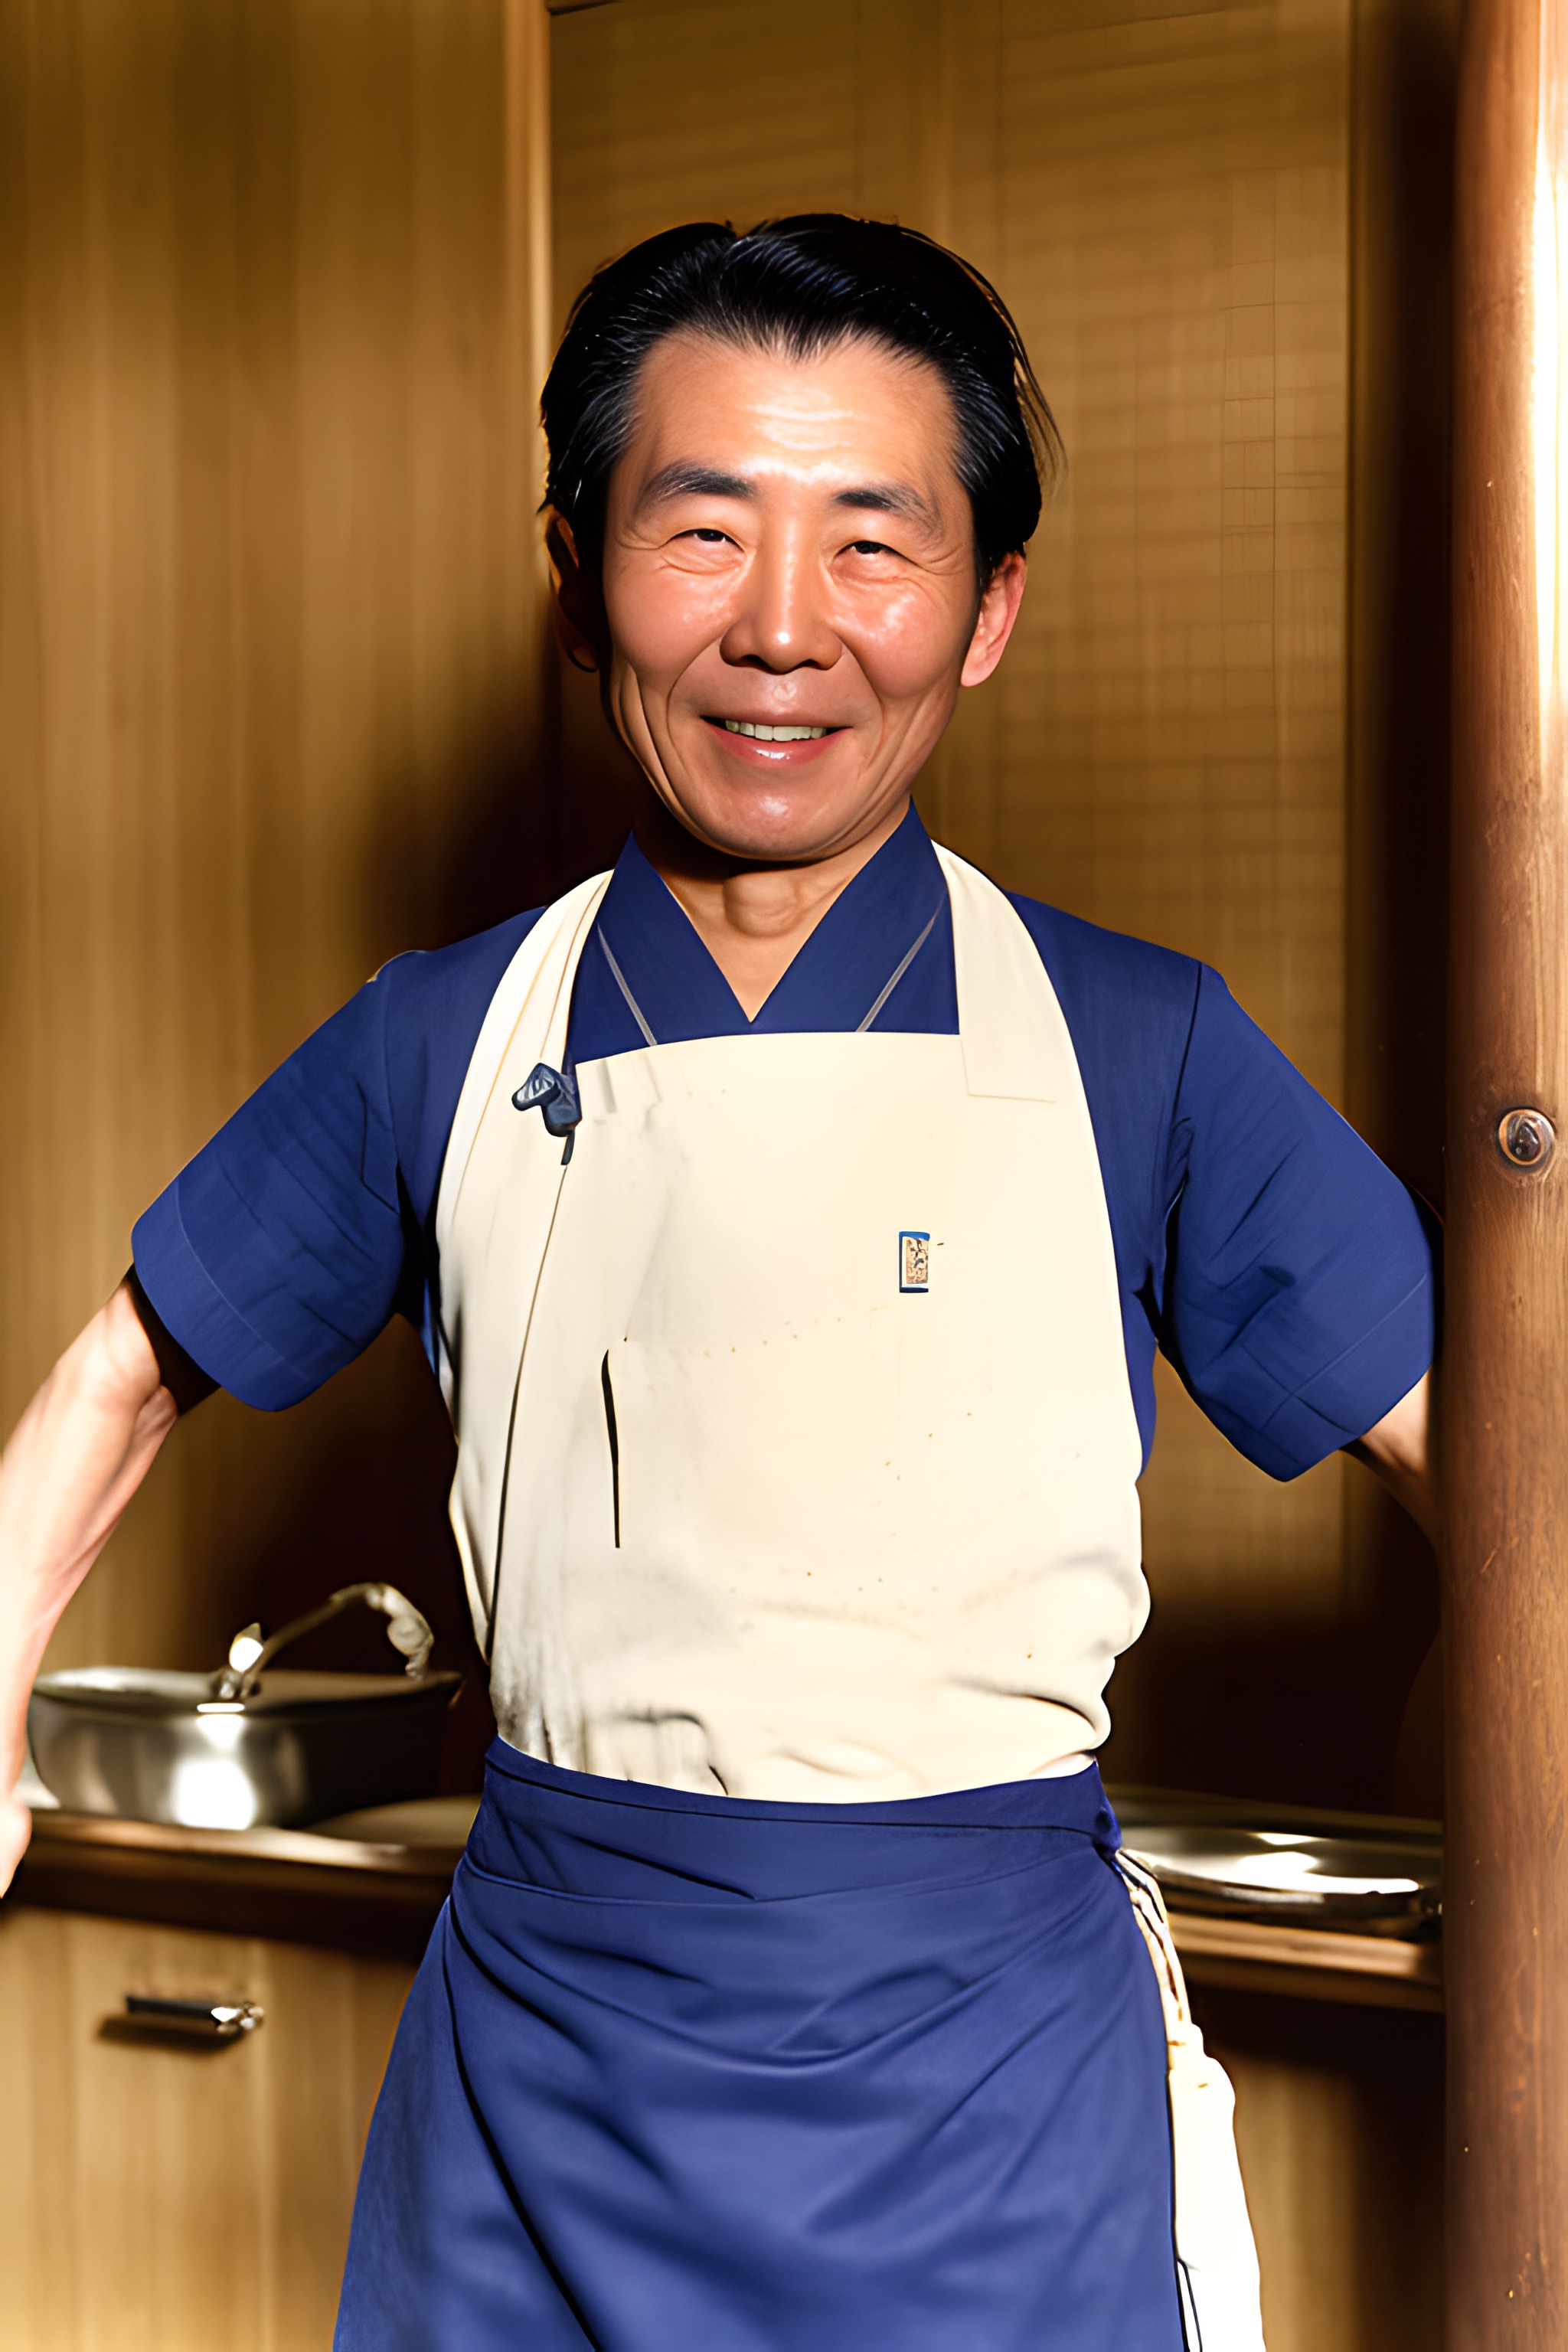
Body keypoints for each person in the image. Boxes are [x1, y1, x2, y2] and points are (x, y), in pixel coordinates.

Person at [0, 217, 1435, 2350]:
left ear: (988, 610)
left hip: (995, 2090)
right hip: (543, 2077)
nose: (783, 631)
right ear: (578, 578)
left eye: (874, 542)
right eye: (705, 532)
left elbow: (1495, 1453)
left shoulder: (1145, 1047)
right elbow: (130, 1368)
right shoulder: (445, 1036)